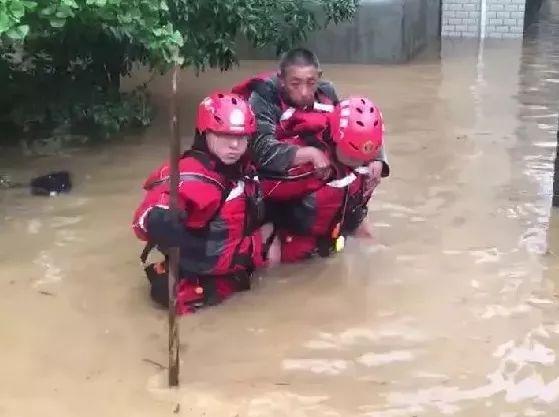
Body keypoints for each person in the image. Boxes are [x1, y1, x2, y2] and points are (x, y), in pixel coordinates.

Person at [132, 92, 278, 314]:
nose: (235, 146)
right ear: (204, 132)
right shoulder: (191, 175)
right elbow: (148, 213)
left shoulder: (244, 168)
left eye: (242, 137)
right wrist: (158, 219)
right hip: (203, 280)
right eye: (224, 136)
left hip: (240, 268)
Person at [232, 48, 389, 190]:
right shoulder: (263, 97)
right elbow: (261, 150)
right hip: (273, 180)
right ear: (281, 79)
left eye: (311, 82)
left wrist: (376, 158)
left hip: (316, 175)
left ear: (319, 77)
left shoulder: (326, 92)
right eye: (295, 83)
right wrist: (310, 153)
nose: (304, 92)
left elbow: (353, 124)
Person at [260, 96, 384, 263]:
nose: (359, 162)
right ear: (335, 138)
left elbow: (356, 204)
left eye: (365, 156)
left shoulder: (369, 163)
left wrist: (377, 160)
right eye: (352, 156)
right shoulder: (306, 167)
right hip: (296, 251)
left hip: (332, 239)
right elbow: (257, 193)